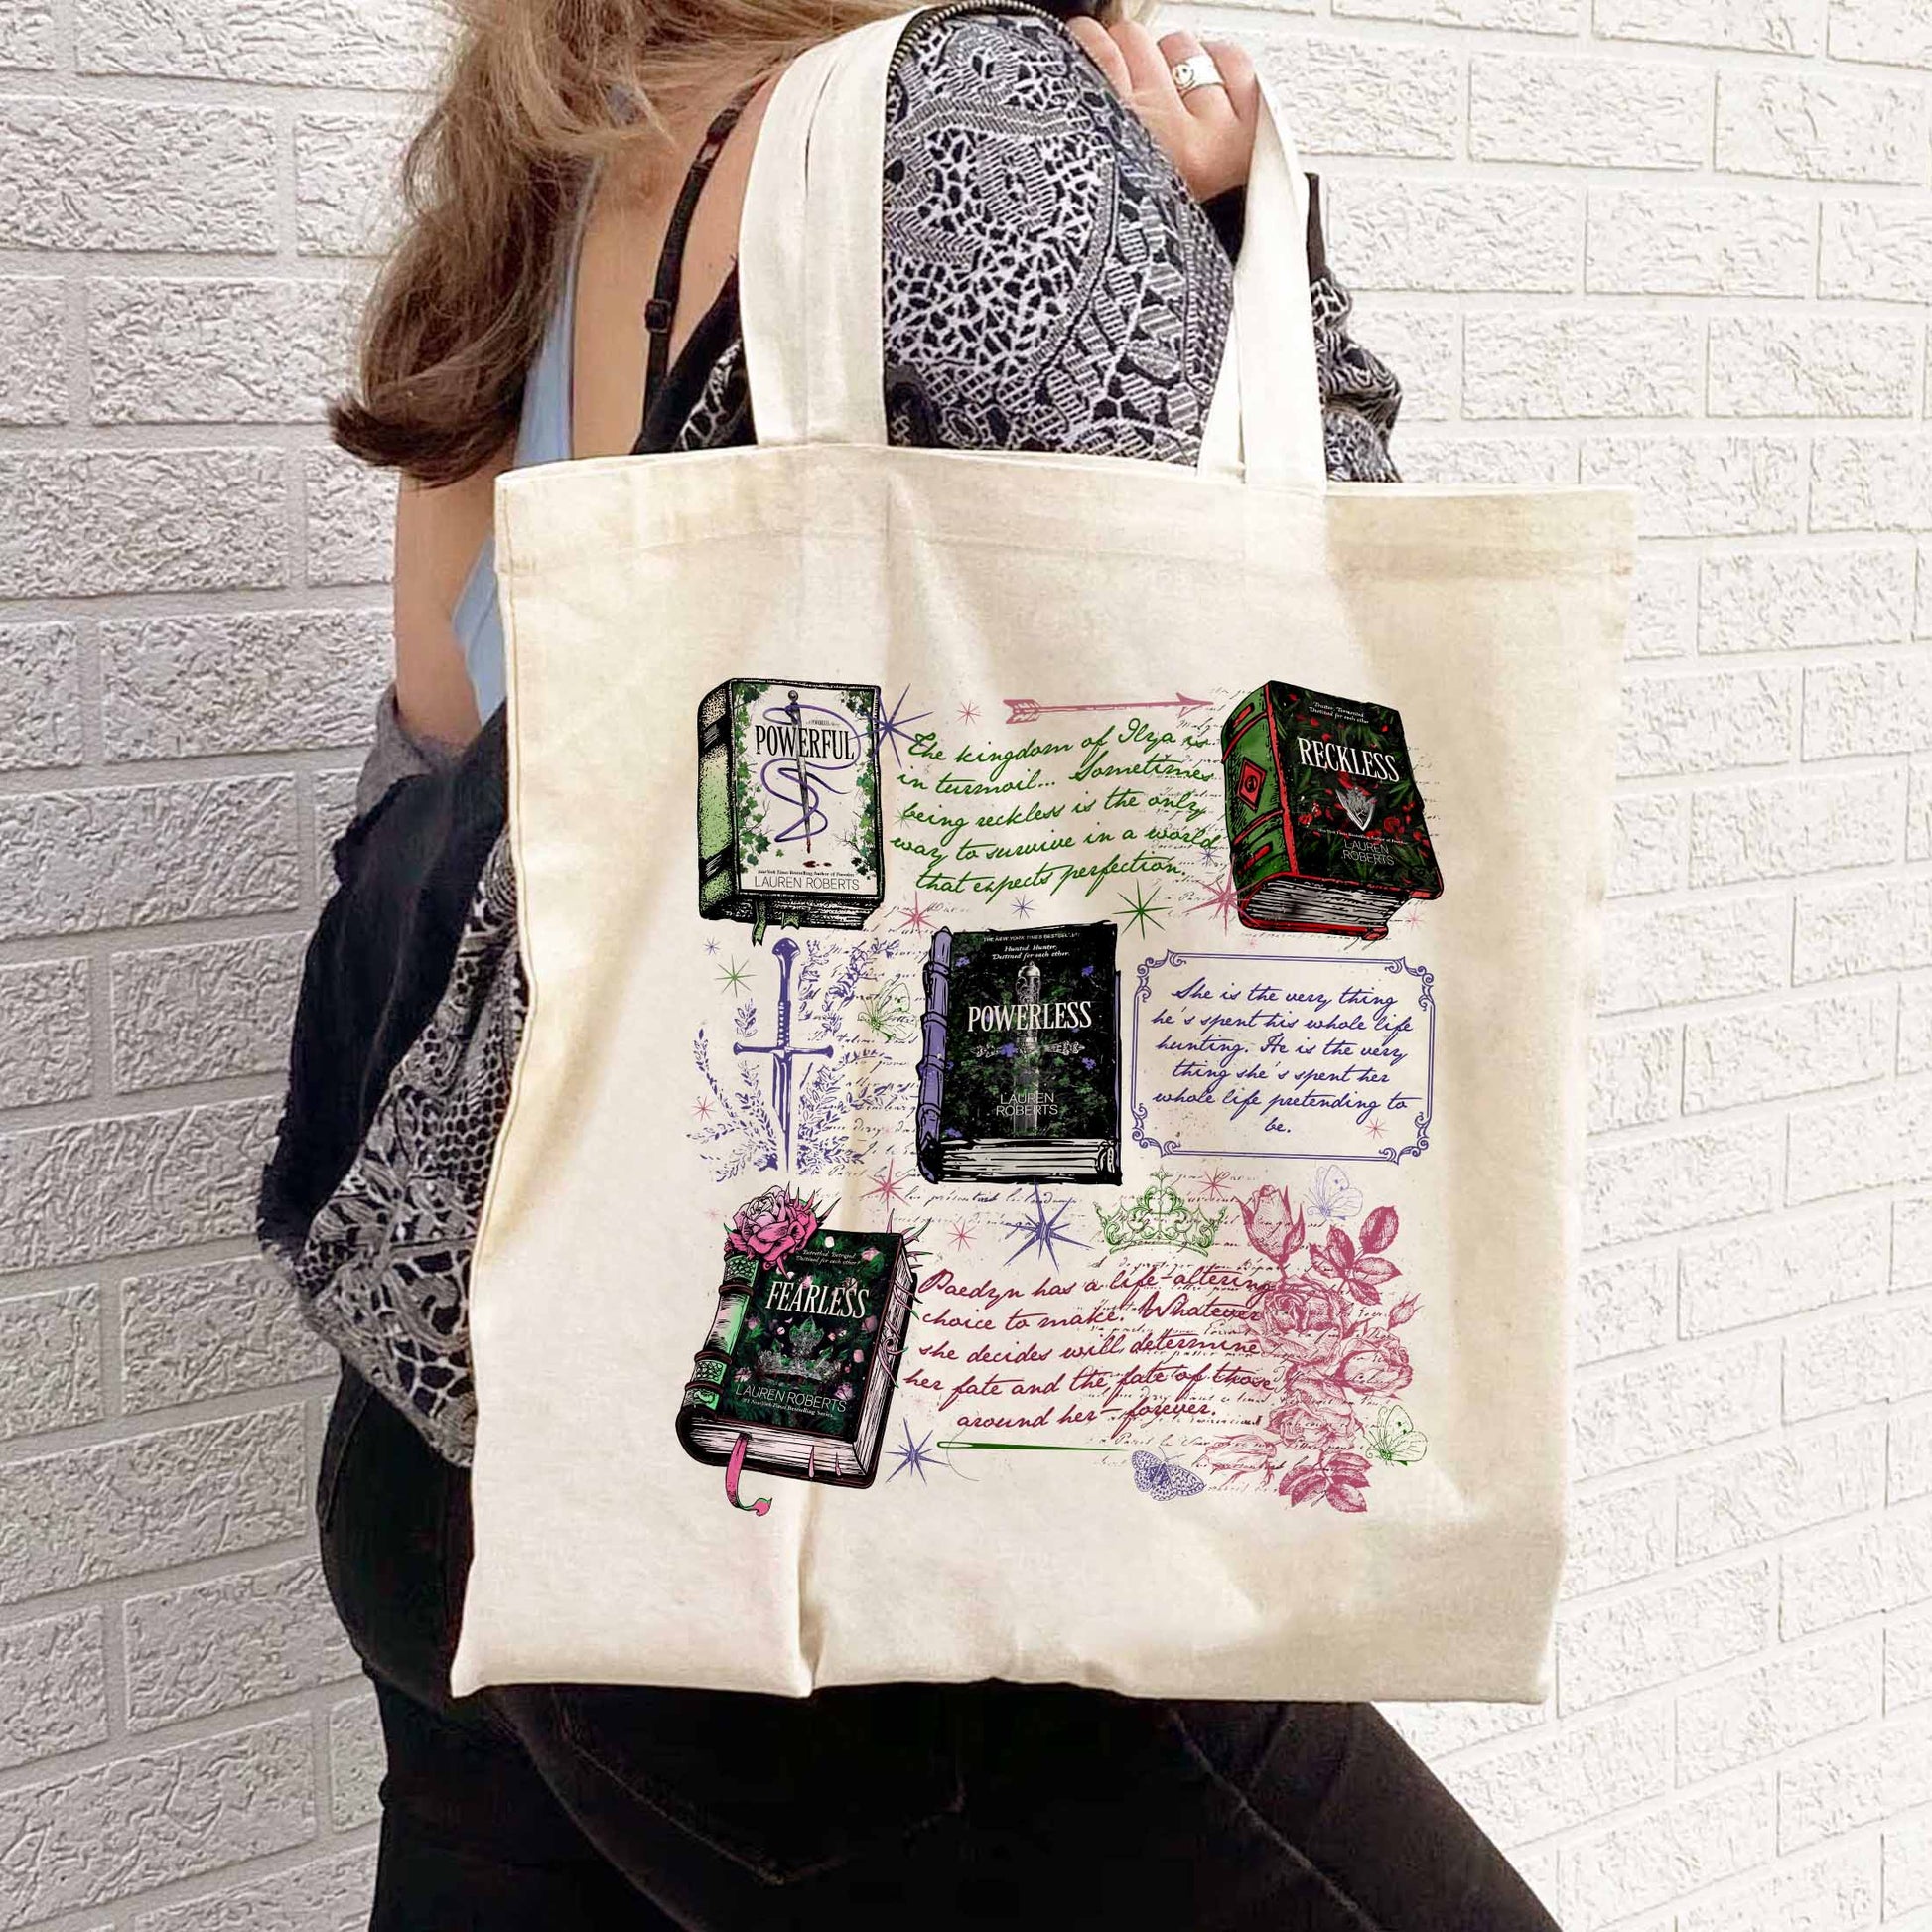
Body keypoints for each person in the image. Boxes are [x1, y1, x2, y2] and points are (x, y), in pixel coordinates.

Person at [264, 0, 1560, 1923]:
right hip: (826, 1517)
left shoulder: (538, 176)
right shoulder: (968, 111)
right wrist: (1251, 247)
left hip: (449, 1471)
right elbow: (1311, 682)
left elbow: (431, 813)